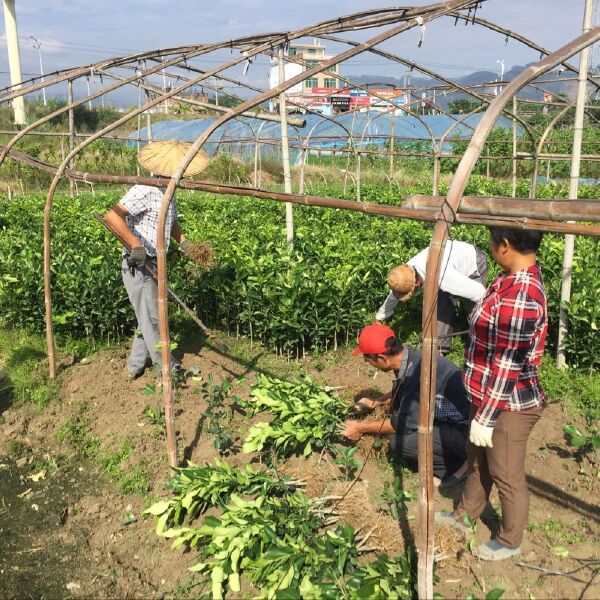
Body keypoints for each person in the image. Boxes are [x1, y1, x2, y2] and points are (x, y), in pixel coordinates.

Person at [436, 227, 548, 562]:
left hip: (509, 404)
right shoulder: (508, 279)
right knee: (477, 460)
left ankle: (510, 540)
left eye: (492, 243)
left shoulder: (522, 296)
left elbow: (507, 364)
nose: (490, 248)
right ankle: (467, 514)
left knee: (506, 473)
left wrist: (486, 418)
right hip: (486, 397)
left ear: (505, 245)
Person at [103, 140, 209, 380]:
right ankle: (169, 370)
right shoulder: (146, 188)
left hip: (154, 261)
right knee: (152, 319)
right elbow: (112, 216)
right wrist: (135, 246)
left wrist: (184, 242)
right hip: (139, 265)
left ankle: (134, 366)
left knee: (147, 317)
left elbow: (168, 221)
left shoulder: (167, 190)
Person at [342, 323, 470, 488]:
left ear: (381, 358)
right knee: (399, 407)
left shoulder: (417, 375)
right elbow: (402, 389)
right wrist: (375, 402)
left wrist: (361, 428)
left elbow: (402, 425)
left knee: (401, 443)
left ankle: (459, 465)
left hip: (467, 433)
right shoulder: (411, 358)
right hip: (451, 419)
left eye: (368, 360)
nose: (368, 363)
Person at [375, 240, 487, 355]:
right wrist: (379, 319)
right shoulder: (404, 274)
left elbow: (479, 293)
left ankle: (484, 344)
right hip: (446, 261)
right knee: (441, 306)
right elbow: (393, 296)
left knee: (474, 309)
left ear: (417, 284)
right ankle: (439, 350)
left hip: (471, 261)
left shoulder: (443, 277)